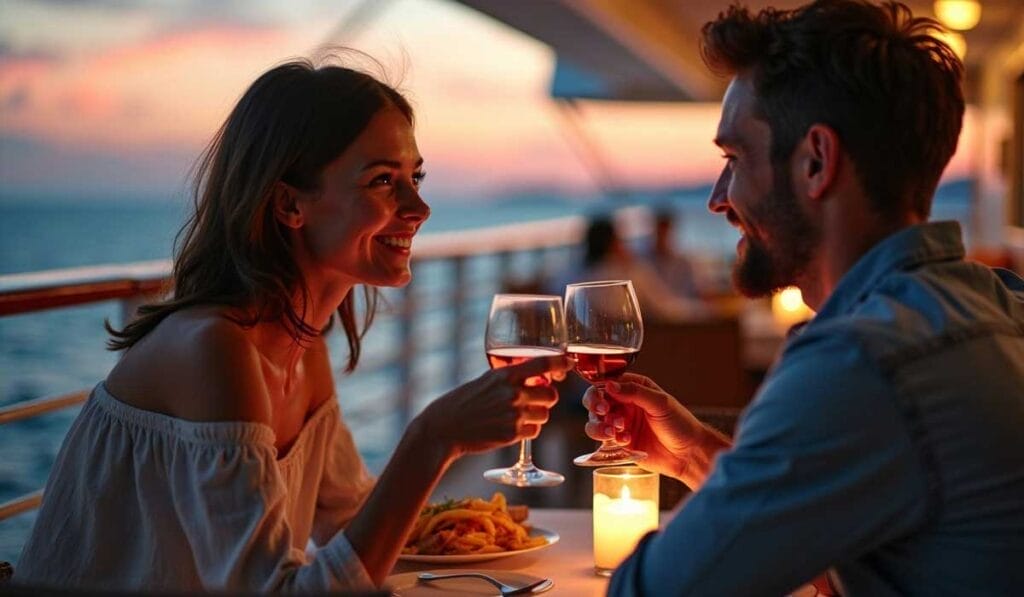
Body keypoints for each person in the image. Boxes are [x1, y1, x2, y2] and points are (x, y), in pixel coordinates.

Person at [15, 56, 571, 592]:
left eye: (415, 177)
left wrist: (476, 532)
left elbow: (347, 517)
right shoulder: (215, 349)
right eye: (382, 181)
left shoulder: (301, 344)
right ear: (288, 204)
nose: (418, 208)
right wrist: (433, 438)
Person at [584, 1, 1024, 595]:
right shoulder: (998, 305)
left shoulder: (861, 361)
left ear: (816, 161)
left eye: (734, 158)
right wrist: (695, 458)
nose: (718, 197)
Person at [547, 216, 707, 321]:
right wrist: (705, 310)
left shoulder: (568, 274)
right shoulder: (631, 273)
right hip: (622, 350)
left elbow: (554, 305)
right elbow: (663, 307)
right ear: (614, 243)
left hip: (576, 360)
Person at [648, 208, 702, 299]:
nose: (663, 237)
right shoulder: (644, 263)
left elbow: (695, 291)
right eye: (660, 232)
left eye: (665, 232)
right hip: (656, 311)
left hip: (683, 310)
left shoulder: (684, 263)